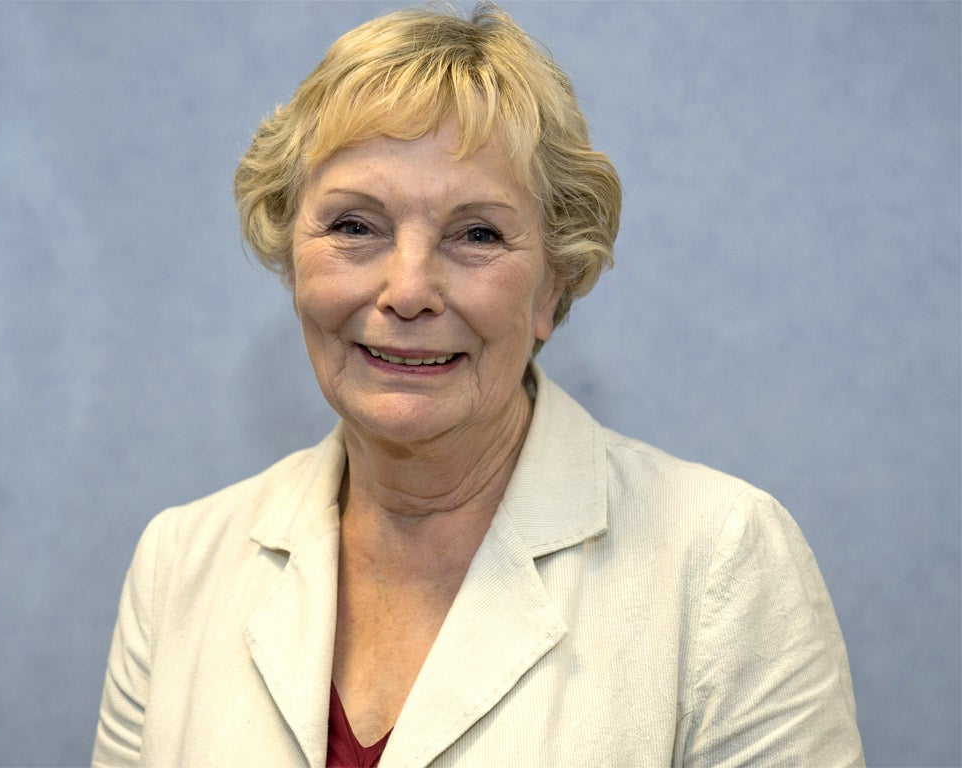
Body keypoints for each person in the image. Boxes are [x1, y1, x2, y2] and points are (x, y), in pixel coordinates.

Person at [92, 4, 865, 767]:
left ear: (553, 287)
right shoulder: (181, 563)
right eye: (355, 226)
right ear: (291, 257)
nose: (408, 290)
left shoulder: (721, 563)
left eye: (477, 234)